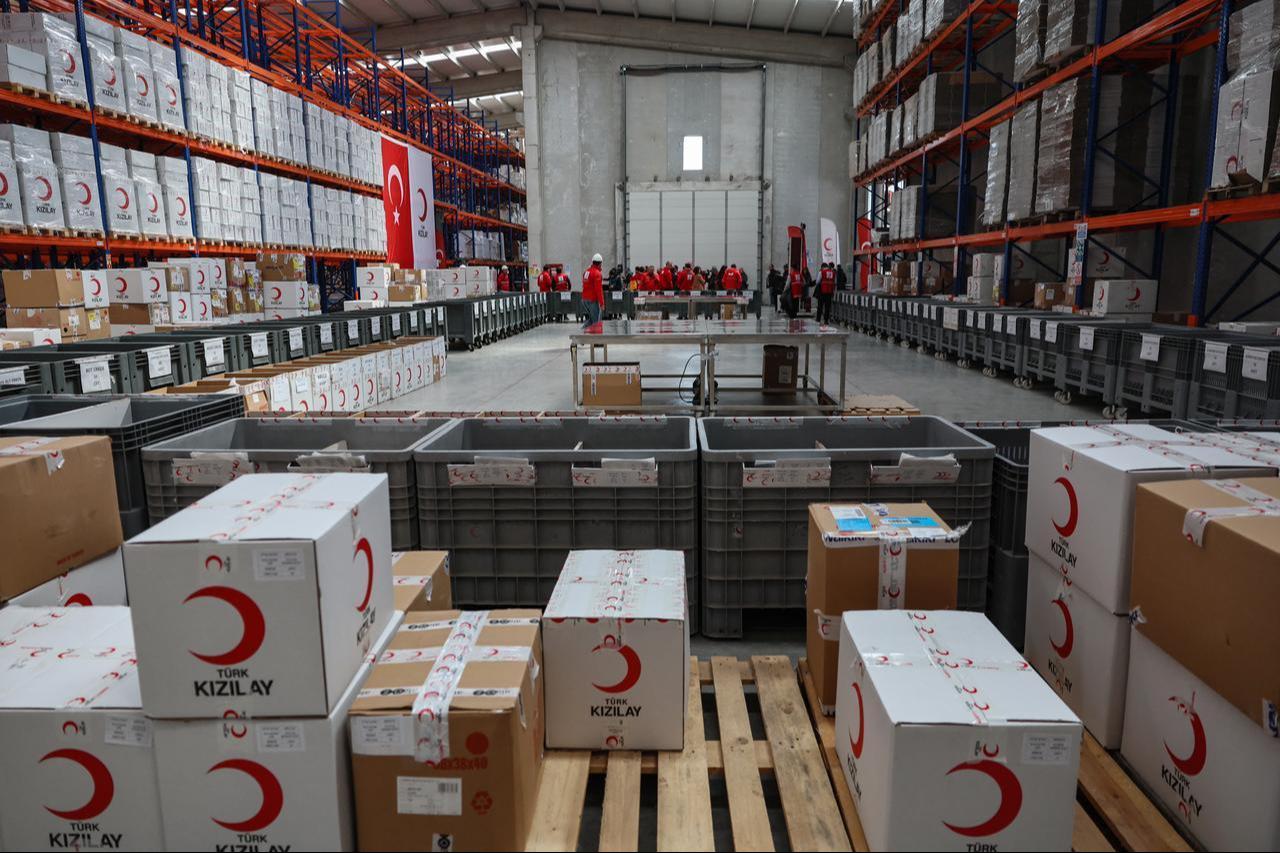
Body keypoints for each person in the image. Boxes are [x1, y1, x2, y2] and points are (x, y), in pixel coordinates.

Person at [581, 253, 605, 328]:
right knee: (596, 322)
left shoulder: (586, 272)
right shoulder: (597, 274)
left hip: (584, 300)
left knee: (591, 320)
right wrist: (602, 303)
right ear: (600, 263)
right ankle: (596, 338)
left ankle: (581, 333)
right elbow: (599, 290)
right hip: (592, 300)